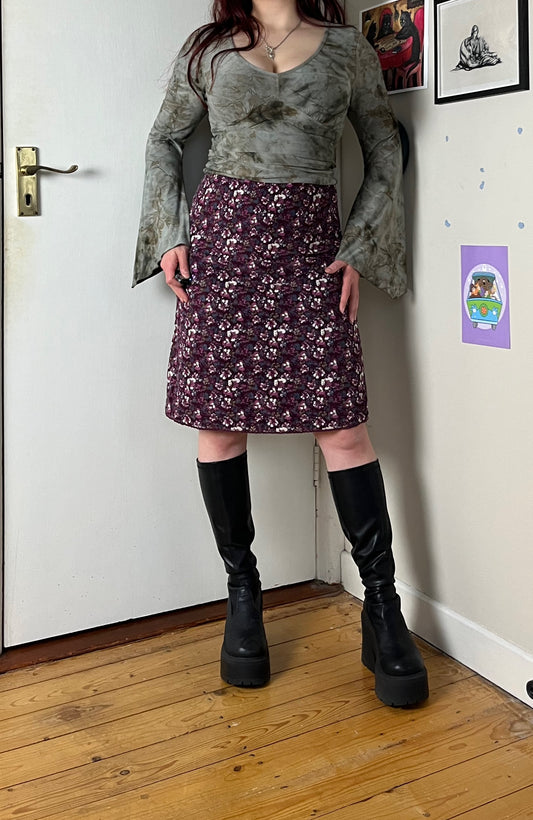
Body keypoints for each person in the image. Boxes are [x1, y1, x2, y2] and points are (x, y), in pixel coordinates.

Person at [133, 0, 428, 708]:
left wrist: (360, 246)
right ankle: (243, 595)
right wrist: (170, 233)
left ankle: (382, 607)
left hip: (311, 250)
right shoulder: (206, 48)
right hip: (223, 247)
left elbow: (385, 147)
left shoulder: (348, 49)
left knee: (344, 428)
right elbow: (164, 139)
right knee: (218, 424)